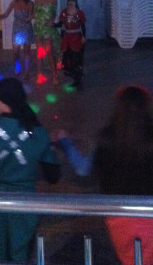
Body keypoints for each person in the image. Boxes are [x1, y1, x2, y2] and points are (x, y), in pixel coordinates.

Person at [0, 77, 61, 263]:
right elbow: (53, 176)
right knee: (21, 255)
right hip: (26, 204)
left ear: (5, 101)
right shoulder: (39, 133)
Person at [56, 86, 153, 265]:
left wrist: (65, 142)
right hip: (149, 211)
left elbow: (83, 169)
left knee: (131, 259)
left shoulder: (107, 138)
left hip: (117, 214)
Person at [0, 0, 34, 80]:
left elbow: (32, 15)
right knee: (15, 51)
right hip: (17, 28)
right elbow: (6, 14)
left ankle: (27, 71)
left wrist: (26, 20)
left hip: (26, 28)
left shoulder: (30, 3)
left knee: (26, 51)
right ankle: (17, 66)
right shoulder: (13, 2)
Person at [34, 0, 61, 85]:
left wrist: (52, 20)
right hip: (38, 26)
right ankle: (39, 75)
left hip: (48, 27)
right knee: (40, 52)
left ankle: (55, 75)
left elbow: (54, 13)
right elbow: (35, 12)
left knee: (49, 51)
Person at [57, 0, 86, 89]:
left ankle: (77, 79)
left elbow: (82, 26)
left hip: (76, 37)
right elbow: (60, 24)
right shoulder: (64, 12)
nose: (71, 2)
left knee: (76, 58)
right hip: (67, 38)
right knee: (67, 57)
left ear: (75, 2)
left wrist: (84, 36)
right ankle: (70, 76)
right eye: (69, 1)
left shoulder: (80, 13)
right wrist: (52, 24)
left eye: (73, 1)